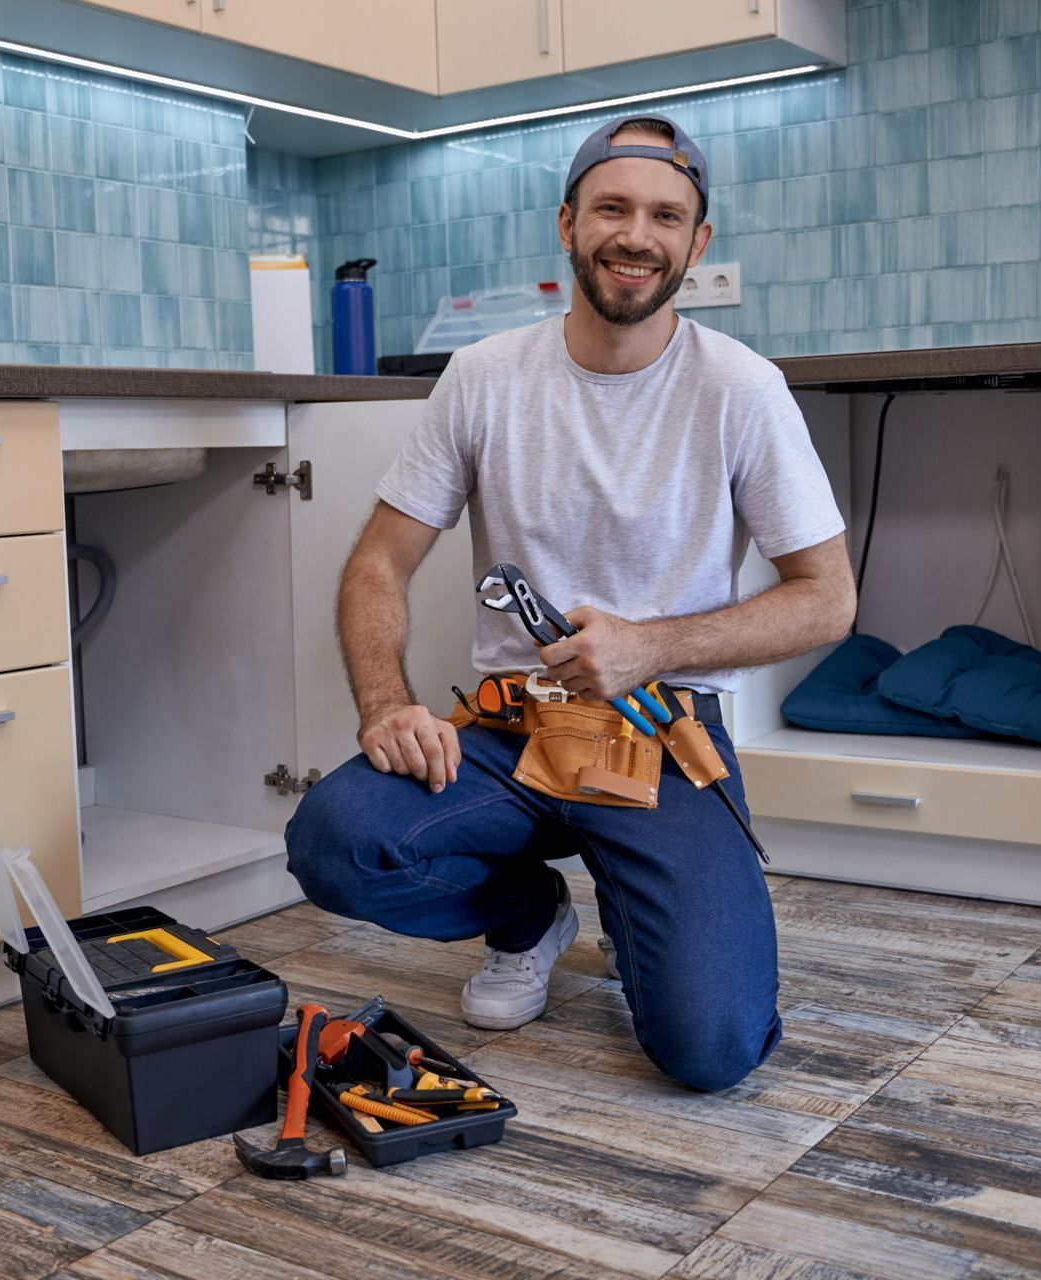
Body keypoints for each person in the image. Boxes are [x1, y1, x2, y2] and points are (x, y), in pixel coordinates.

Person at [285, 114, 855, 1091]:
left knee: (711, 1046)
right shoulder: (484, 377)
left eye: (664, 215)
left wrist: (649, 643)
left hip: (661, 727)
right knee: (334, 838)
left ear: (696, 241)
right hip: (514, 729)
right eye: (613, 207)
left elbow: (824, 601)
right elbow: (376, 561)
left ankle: (648, 920)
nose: (636, 233)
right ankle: (528, 916)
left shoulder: (739, 389)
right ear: (567, 222)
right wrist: (385, 703)